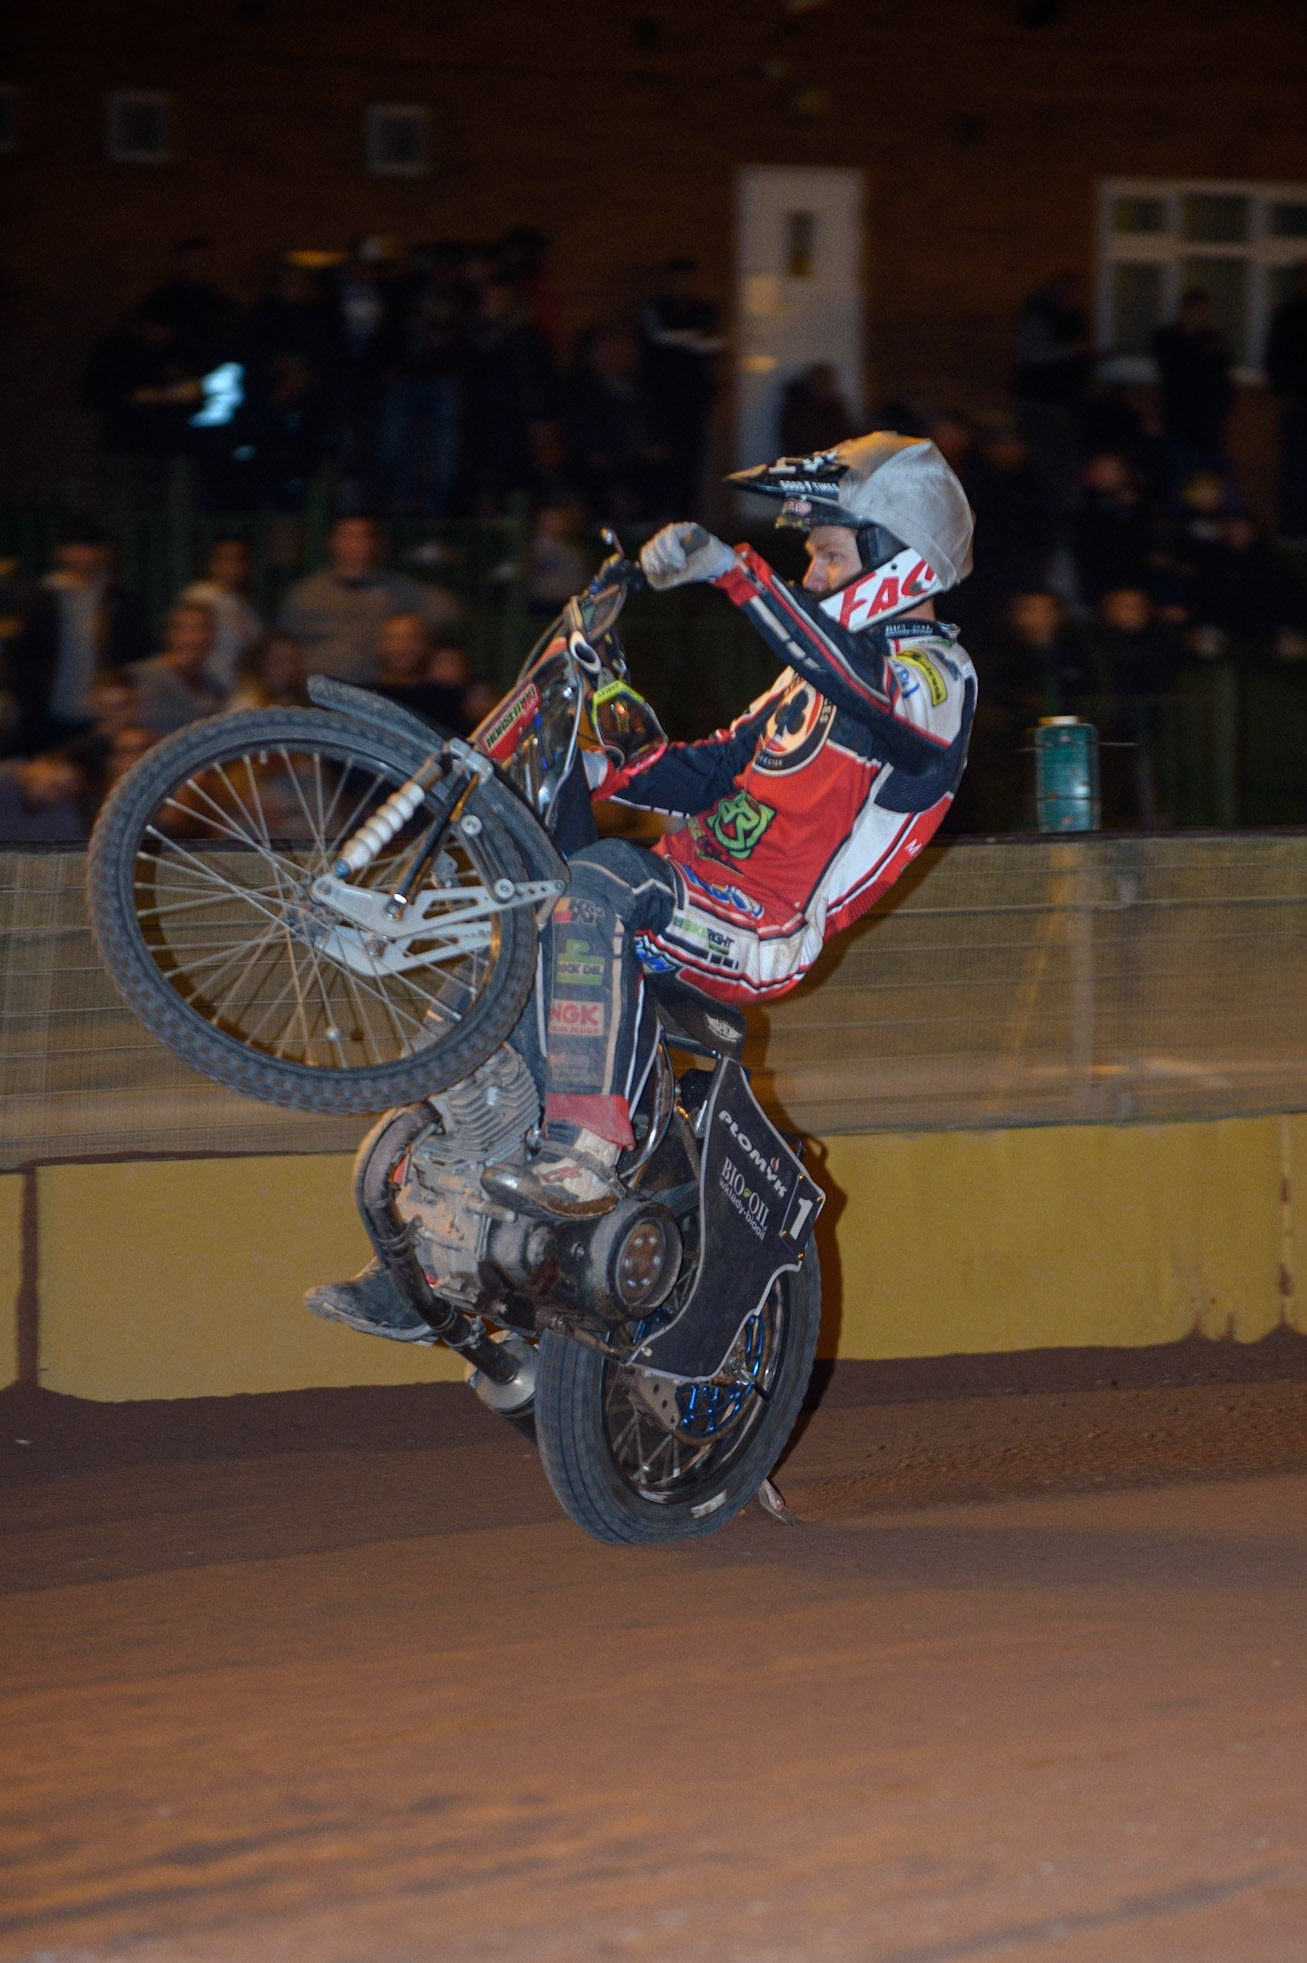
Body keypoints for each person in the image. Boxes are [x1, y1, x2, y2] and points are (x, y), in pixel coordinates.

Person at [310, 430, 977, 1338]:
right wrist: (607, 756)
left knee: (598, 884)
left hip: (762, 930)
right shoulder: (802, 683)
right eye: (807, 559)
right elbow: (705, 774)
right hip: (685, 888)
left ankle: (588, 1148)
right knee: (519, 906)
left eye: (825, 553)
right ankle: (423, 1241)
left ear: (900, 561)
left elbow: (856, 686)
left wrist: (736, 575)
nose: (812, 574)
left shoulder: (933, 677)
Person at [6, 517, 150, 754]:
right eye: (75, 547)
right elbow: (22, 655)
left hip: (105, 714)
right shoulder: (41, 599)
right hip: (48, 713)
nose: (82, 555)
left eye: (89, 547)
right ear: (61, 552)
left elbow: (137, 652)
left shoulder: (119, 599)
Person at [277, 515, 460, 684]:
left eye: (363, 537)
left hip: (377, 698)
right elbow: (283, 645)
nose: (355, 544)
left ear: (376, 544)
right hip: (317, 698)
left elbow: (449, 610)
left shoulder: (397, 588)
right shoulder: (305, 594)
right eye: (347, 536)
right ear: (331, 542)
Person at [638, 258, 724, 514]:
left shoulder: (705, 310)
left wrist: (681, 339)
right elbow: (658, 337)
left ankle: (687, 519)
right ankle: (659, 516)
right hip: (660, 398)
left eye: (687, 281)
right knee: (661, 461)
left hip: (694, 399)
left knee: (691, 463)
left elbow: (713, 344)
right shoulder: (655, 308)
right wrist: (691, 338)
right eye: (676, 281)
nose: (682, 286)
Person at [1152, 289, 1234, 491]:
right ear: (1183, 311)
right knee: (1178, 478)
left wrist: (1222, 410)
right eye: (1195, 312)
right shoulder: (1168, 339)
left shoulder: (1215, 340)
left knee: (1207, 482)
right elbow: (1179, 371)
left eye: (1204, 313)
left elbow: (1222, 375)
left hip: (1208, 425)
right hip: (1178, 421)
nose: (1199, 318)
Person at [129, 602, 226, 735]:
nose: (195, 638)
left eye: (202, 629)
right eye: (186, 629)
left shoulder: (214, 686)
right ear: (169, 634)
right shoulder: (140, 678)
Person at [367, 613, 475, 733]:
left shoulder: (449, 701)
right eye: (394, 638)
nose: (403, 647)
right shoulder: (362, 697)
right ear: (380, 645)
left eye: (412, 638)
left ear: (427, 645)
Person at [180, 537, 263, 691]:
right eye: (224, 559)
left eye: (237, 560)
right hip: (203, 686)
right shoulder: (199, 595)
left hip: (233, 688)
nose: (231, 566)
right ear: (212, 564)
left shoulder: (245, 608)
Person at [1265, 264, 1307, 544]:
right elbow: (1274, 357)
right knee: (1294, 468)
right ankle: (1292, 529)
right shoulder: (1287, 317)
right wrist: (1285, 392)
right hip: (1296, 404)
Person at [0, 752, 88, 842]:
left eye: (66, 795)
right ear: (42, 763)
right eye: (55, 786)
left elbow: (70, 847)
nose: (53, 797)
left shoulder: (62, 811)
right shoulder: (4, 779)